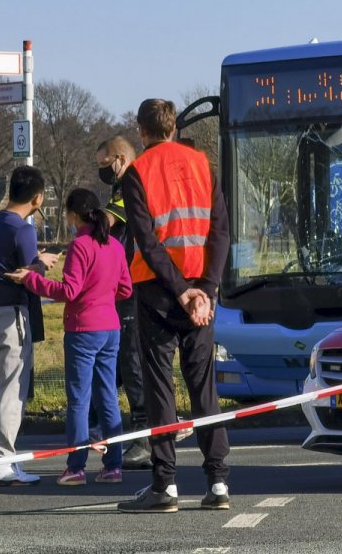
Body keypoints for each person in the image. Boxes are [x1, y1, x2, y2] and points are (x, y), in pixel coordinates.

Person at [117, 99, 231, 514]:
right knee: (205, 388)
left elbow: (147, 242)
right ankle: (218, 481)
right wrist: (207, 291)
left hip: (158, 292)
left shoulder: (137, 172)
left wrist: (182, 291)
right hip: (202, 293)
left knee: (160, 386)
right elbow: (220, 231)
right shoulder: (203, 164)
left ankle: (165, 485)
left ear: (141, 130)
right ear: (173, 127)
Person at [6, 188, 132, 485]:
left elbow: (69, 290)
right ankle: (114, 464)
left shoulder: (80, 245)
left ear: (73, 215)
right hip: (110, 328)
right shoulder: (113, 245)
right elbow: (125, 289)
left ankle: (76, 467)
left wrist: (32, 280)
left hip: (83, 329)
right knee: (108, 397)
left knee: (79, 399)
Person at [0, 166, 58, 486]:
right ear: (38, 198)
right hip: (9, 316)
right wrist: (43, 263)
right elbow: (30, 278)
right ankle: (3, 460)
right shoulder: (23, 229)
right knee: (12, 390)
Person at [95, 135, 152, 469]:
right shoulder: (129, 186)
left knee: (132, 360)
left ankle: (144, 435)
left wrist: (83, 219)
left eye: (104, 165)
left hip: (135, 287)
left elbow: (107, 222)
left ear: (119, 158)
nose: (103, 172)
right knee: (126, 359)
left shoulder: (132, 185)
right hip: (129, 285)